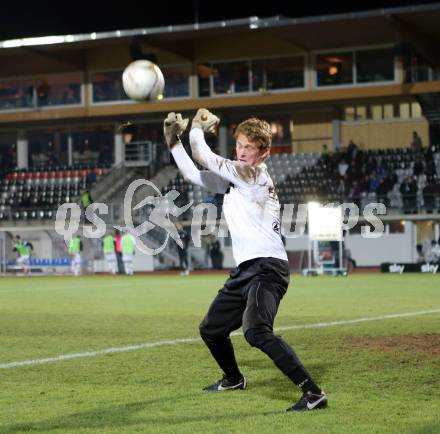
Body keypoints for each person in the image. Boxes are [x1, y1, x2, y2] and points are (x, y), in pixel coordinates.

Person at [163, 109, 327, 412]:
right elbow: (193, 174)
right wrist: (175, 144)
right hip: (247, 269)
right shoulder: (235, 179)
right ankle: (233, 378)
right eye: (239, 145)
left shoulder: (252, 174)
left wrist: (196, 130)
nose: (241, 151)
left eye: (248, 147)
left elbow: (203, 155)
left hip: (268, 268)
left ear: (264, 153)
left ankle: (313, 393)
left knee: (256, 332)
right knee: (211, 329)